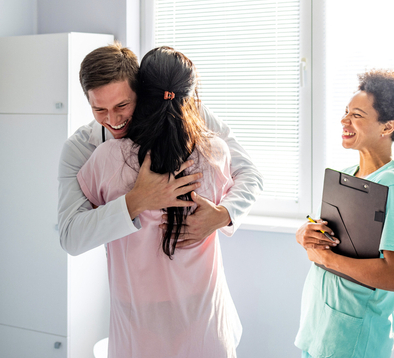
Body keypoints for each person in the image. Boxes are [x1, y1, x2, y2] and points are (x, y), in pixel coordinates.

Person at [77, 46, 242, 358]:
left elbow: (82, 224)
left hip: (139, 326)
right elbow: (247, 180)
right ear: (191, 96)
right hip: (203, 322)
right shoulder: (216, 154)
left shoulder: (108, 160)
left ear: (141, 94)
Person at [57, 42, 262, 256]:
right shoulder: (79, 149)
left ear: (141, 93)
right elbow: (71, 237)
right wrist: (135, 201)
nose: (112, 119)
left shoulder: (186, 113)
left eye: (122, 106)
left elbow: (249, 173)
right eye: (99, 109)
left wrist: (224, 214)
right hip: (132, 274)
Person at [294, 69, 394, 358]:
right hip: (321, 332)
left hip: (350, 346)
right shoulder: (350, 175)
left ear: (387, 127)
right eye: (345, 113)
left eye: (357, 115)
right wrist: (305, 235)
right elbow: (332, 239)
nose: (344, 121)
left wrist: (326, 258)